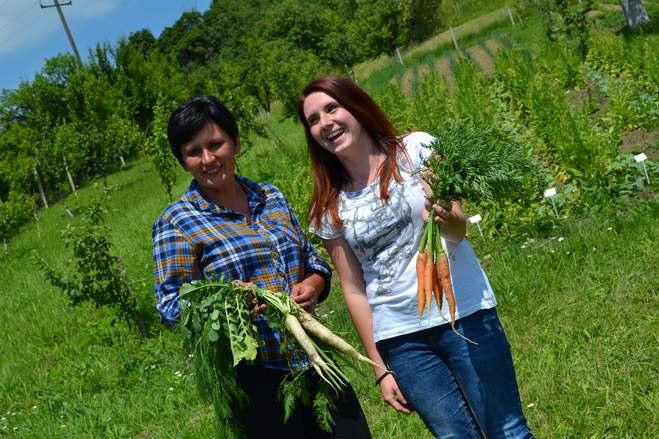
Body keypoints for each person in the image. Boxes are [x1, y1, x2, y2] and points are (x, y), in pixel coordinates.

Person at [297, 76, 534, 439]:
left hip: (464, 314)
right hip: (402, 339)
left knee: (508, 432)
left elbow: (458, 232)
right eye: (313, 120)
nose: (325, 123)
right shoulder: (329, 204)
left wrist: (448, 218)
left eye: (332, 108)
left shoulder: (414, 150)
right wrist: (379, 368)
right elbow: (354, 288)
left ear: (356, 106)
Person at [152, 95, 372, 438]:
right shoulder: (177, 222)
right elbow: (170, 306)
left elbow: (310, 258)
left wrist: (313, 285)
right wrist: (229, 307)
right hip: (256, 379)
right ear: (182, 161)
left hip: (315, 357)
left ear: (236, 142)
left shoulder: (270, 197)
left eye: (216, 144)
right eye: (194, 152)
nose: (208, 159)